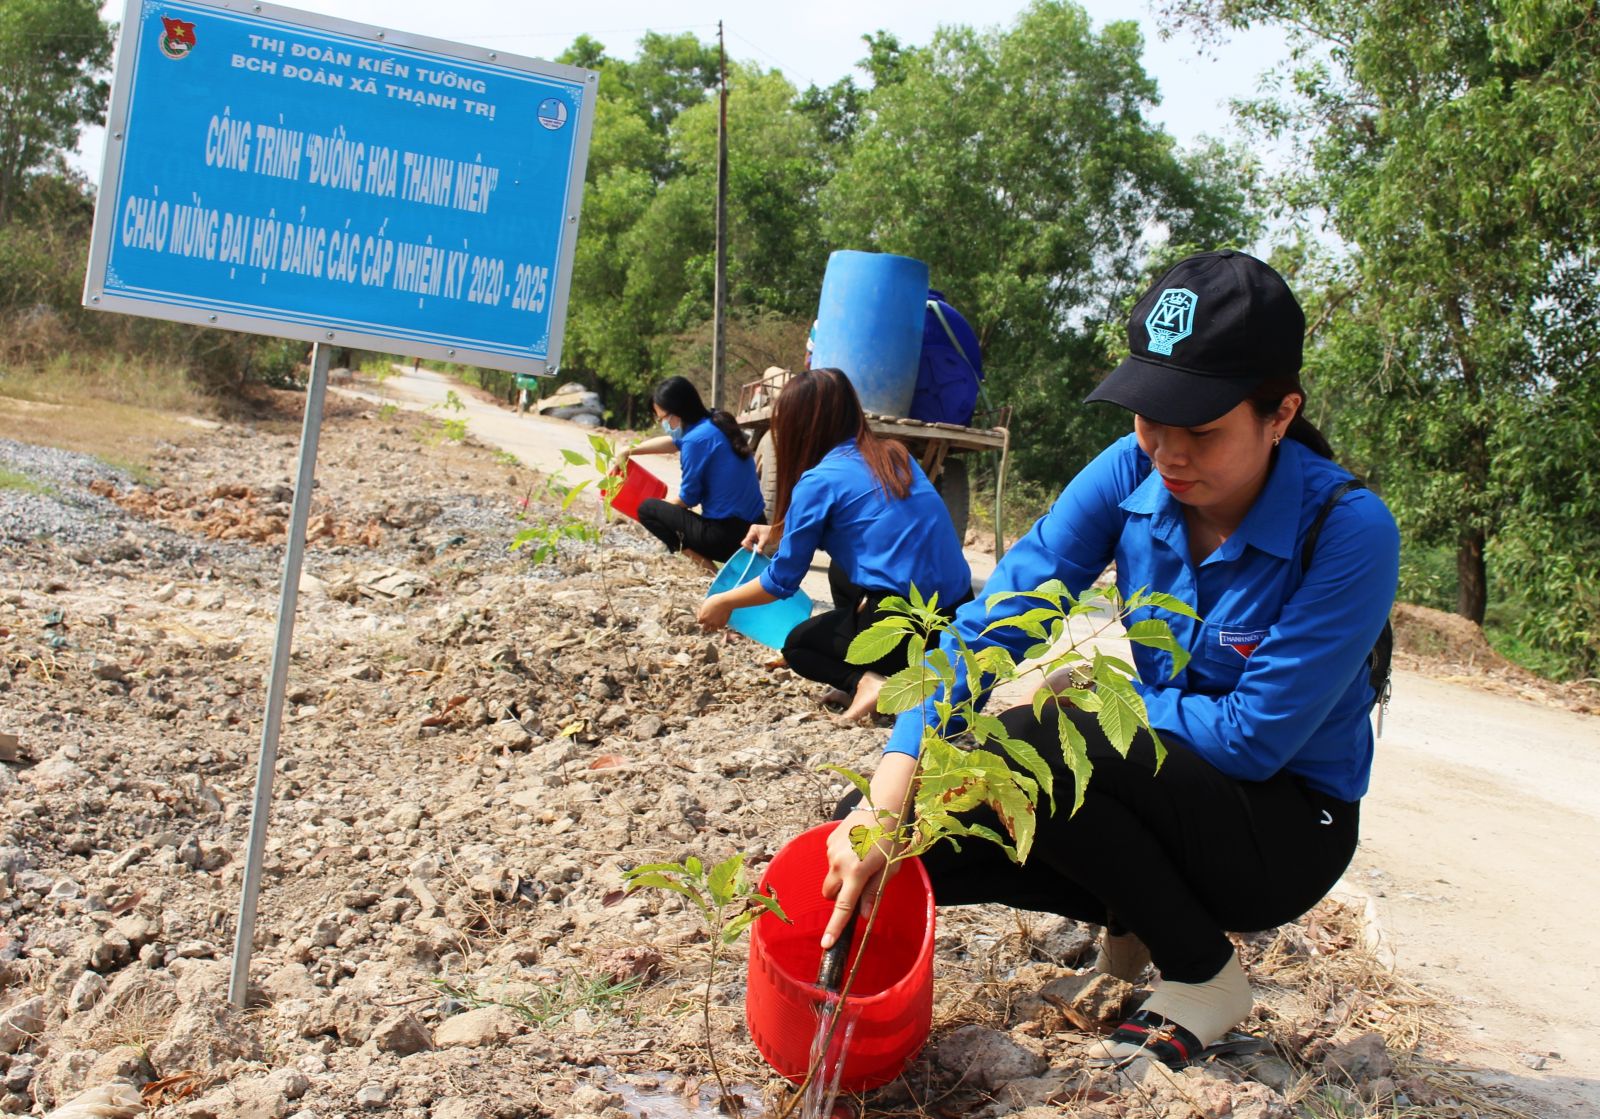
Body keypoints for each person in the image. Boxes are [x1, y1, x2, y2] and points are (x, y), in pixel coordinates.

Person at [819, 250, 1400, 1067]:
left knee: (1036, 738)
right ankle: (1132, 918)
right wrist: (886, 798)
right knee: (904, 843)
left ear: (1280, 413)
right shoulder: (1131, 470)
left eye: (1201, 428)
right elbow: (989, 628)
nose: (1168, 450)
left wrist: (1086, 696)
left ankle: (1204, 973)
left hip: (1280, 831)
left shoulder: (1347, 529)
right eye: (1149, 417)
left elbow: (1250, 738)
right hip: (1161, 791)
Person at [696, 367, 973, 722]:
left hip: (907, 629)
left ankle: (866, 681)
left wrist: (723, 602)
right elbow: (862, 515)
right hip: (955, 617)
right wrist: (776, 530)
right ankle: (863, 660)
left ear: (800, 427)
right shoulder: (895, 455)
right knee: (844, 568)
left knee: (798, 646)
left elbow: (782, 581)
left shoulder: (818, 481)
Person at [620, 376, 766, 572]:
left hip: (730, 539)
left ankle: (713, 572)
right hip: (757, 529)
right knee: (664, 511)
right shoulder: (715, 422)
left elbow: (688, 498)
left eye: (662, 418)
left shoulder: (694, 441)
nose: (662, 423)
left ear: (677, 412)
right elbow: (673, 443)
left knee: (647, 509)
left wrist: (663, 511)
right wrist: (629, 451)